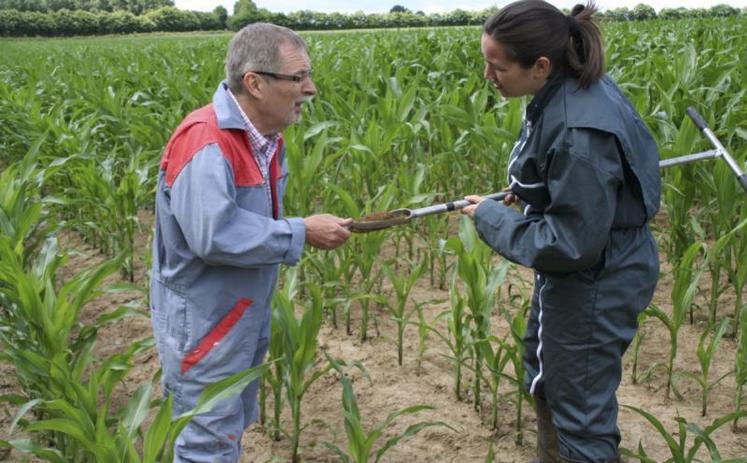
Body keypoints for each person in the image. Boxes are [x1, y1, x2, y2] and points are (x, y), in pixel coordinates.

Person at [461, 2, 660, 462]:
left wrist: (492, 218)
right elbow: (574, 184)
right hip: (588, 268)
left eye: (498, 66)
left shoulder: (578, 128)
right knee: (547, 372)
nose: (489, 76)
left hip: (595, 277)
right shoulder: (568, 91)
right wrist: (536, 190)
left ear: (541, 66)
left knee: (580, 410)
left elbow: (570, 243)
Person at [150, 23, 351, 462]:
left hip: (237, 316)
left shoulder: (263, 140)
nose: (310, 88)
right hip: (206, 326)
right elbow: (214, 235)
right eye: (297, 78)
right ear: (255, 83)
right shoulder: (207, 140)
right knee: (208, 443)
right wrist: (301, 231)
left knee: (227, 430)